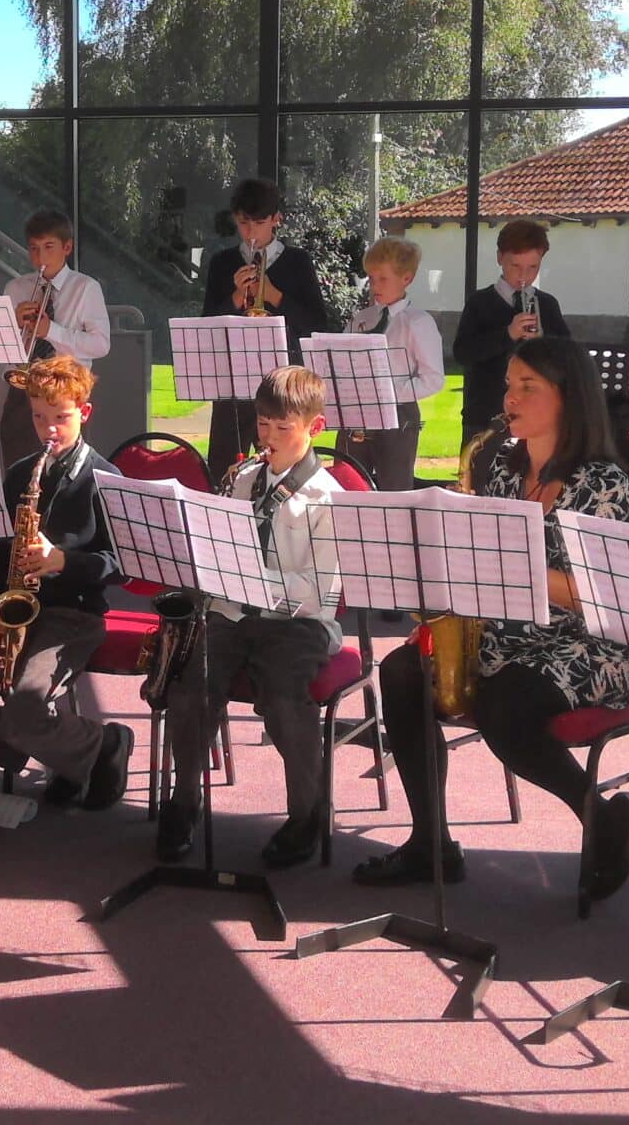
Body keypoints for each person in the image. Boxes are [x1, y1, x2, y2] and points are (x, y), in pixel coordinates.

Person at [354, 337, 629, 900]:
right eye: (509, 384)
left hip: (596, 642)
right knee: (401, 672)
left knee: (503, 705)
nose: (509, 397)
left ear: (568, 398)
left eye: (527, 387)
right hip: (513, 632)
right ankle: (430, 842)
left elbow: (612, 594)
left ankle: (604, 817)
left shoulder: (603, 483)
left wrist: (521, 567)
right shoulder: (506, 470)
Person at [0, 355, 134, 811]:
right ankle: (62, 753)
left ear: (85, 413)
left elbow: (121, 565)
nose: (49, 429)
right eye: (39, 417)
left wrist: (61, 561)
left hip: (73, 614)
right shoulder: (20, 472)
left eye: (61, 417)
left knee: (28, 710)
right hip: (13, 609)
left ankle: (104, 744)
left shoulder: (107, 480)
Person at [158, 366, 342, 869]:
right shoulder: (242, 479)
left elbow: (324, 592)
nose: (270, 438)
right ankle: (185, 801)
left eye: (284, 427)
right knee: (190, 686)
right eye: (263, 425)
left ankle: (308, 815)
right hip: (235, 613)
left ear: (315, 427)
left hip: (301, 624)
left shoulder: (328, 497)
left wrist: (259, 587)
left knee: (285, 700)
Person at [199, 178, 336, 478]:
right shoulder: (222, 263)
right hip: (232, 382)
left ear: (276, 219)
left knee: (280, 464)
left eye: (259, 223)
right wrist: (236, 297)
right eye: (244, 223)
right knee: (223, 468)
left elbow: (315, 323)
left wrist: (274, 295)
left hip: (281, 382)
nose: (251, 232)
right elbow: (207, 325)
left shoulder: (298, 262)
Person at [0, 211, 111, 467]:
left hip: (67, 391)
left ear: (67, 247)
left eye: (49, 247)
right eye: (34, 249)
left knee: (65, 468)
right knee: (18, 468)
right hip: (22, 393)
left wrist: (50, 331)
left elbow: (100, 344)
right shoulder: (15, 288)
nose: (41, 257)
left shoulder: (85, 288)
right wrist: (13, 324)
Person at [451, 219, 570, 442]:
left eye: (532, 267)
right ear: (499, 258)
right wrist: (507, 334)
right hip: (485, 417)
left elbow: (567, 356)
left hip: (536, 419)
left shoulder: (547, 304)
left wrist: (543, 341)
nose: (523, 275)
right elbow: (463, 353)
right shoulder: (479, 302)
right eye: (515, 266)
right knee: (480, 475)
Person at [342, 237, 445, 492]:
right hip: (355, 414)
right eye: (372, 278)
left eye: (383, 279)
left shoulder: (418, 322)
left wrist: (387, 394)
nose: (375, 285)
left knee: (394, 490)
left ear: (406, 279)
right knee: (348, 483)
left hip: (398, 416)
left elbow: (433, 379)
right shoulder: (361, 319)